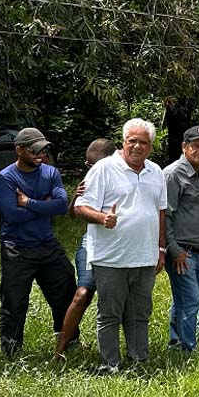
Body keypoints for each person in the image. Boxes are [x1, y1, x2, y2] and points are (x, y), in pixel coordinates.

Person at [74, 118, 167, 373]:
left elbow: (160, 212)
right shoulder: (104, 169)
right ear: (124, 142)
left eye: (144, 142)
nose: (137, 147)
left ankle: (139, 361)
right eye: (132, 141)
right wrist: (102, 218)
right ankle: (110, 364)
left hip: (145, 257)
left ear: (151, 146)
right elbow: (79, 207)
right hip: (111, 258)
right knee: (110, 314)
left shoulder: (156, 172)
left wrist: (161, 249)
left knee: (139, 314)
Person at [0, 127, 75, 357]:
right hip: (17, 247)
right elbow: (12, 215)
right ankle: (11, 348)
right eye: (34, 150)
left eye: (43, 149)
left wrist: (29, 202)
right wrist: (44, 206)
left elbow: (61, 205)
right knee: (14, 300)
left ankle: (68, 339)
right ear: (18, 149)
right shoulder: (6, 178)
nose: (40, 154)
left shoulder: (50, 173)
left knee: (66, 287)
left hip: (47, 243)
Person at [53, 138, 116, 361]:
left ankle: (115, 352)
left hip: (118, 249)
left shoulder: (120, 175)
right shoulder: (90, 178)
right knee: (82, 294)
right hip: (91, 244)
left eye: (93, 165)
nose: (89, 170)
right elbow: (73, 214)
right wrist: (76, 197)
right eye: (87, 166)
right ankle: (60, 349)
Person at [163, 126, 199, 352]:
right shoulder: (174, 174)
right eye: (195, 146)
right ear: (184, 147)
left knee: (183, 299)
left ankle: (176, 342)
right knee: (191, 300)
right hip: (182, 251)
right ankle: (188, 349)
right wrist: (174, 251)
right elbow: (165, 216)